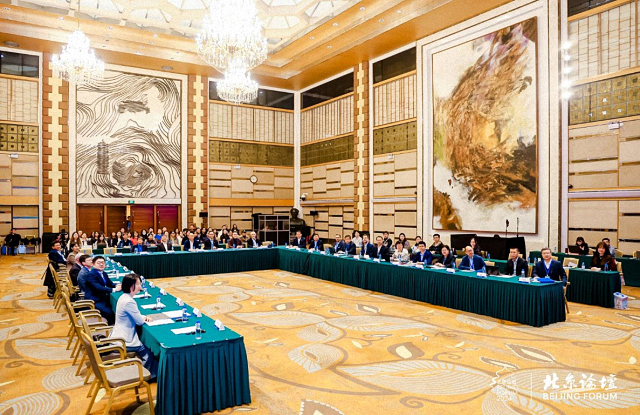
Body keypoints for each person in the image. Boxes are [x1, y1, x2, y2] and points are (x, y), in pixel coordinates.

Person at [109, 273, 158, 379]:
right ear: (132, 286)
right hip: (124, 340)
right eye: (138, 284)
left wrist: (143, 316)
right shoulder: (129, 301)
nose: (140, 286)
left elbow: (136, 316)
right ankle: (144, 376)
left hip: (118, 334)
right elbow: (139, 322)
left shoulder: (123, 297)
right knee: (148, 352)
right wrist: (143, 318)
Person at [84, 256, 121, 324]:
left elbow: (110, 283)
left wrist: (117, 285)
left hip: (103, 297)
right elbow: (98, 287)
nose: (101, 264)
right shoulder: (91, 275)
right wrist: (114, 289)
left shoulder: (103, 273)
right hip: (94, 300)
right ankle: (111, 326)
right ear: (93, 264)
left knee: (117, 307)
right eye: (98, 263)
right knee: (110, 312)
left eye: (103, 263)